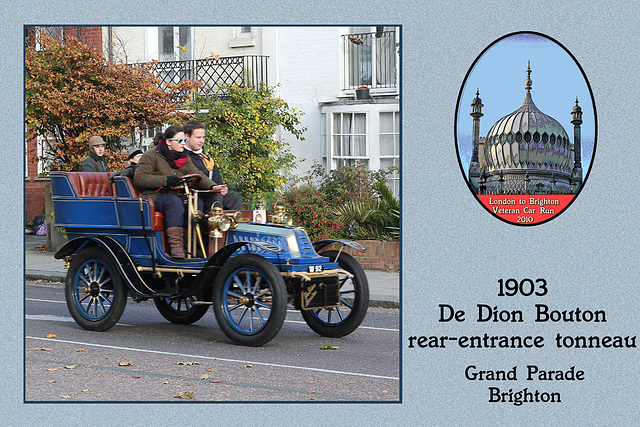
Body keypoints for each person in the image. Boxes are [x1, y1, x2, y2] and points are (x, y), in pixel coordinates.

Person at [133, 125, 219, 259]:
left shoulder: (184, 157)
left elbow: (197, 174)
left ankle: (191, 246)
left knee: (195, 202)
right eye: (179, 141)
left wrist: (213, 187)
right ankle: (176, 247)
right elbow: (140, 178)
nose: (183, 144)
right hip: (152, 196)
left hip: (175, 195)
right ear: (168, 142)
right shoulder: (151, 155)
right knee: (173, 202)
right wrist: (165, 180)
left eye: (184, 141)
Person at [183, 120, 244, 211]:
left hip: (212, 191)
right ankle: (212, 224)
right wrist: (214, 188)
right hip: (195, 194)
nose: (202, 141)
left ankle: (236, 224)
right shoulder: (183, 156)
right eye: (198, 137)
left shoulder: (205, 156)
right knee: (216, 199)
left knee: (234, 197)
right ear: (187, 137)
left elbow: (216, 177)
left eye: (203, 137)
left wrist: (222, 188)